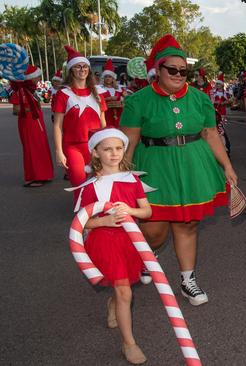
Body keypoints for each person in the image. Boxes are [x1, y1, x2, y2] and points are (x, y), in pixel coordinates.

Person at [120, 34, 237, 306]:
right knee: (154, 231)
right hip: (154, 169)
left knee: (188, 224)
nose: (178, 74)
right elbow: (129, 143)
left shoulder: (200, 99)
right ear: (158, 70)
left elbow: (210, 133)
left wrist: (227, 165)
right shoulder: (138, 101)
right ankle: (147, 257)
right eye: (171, 69)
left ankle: (188, 280)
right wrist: (120, 178)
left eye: (183, 70)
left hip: (194, 165)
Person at [70, 128, 151, 364]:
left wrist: (131, 211)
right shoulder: (90, 187)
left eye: (118, 148)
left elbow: (147, 211)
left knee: (122, 285)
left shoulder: (132, 179)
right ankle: (129, 343)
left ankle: (113, 302)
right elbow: (83, 223)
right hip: (105, 241)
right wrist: (103, 220)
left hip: (130, 240)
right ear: (96, 153)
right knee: (125, 290)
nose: (114, 154)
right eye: (107, 149)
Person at [53, 45, 107, 188]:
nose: (82, 69)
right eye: (77, 66)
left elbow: (103, 122)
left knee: (99, 185)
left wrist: (107, 145)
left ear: (89, 70)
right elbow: (57, 125)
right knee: (79, 184)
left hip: (96, 147)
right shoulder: (63, 94)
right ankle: (82, 211)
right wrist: (59, 151)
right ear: (71, 70)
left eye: (85, 66)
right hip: (73, 147)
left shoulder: (98, 93)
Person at [9, 65, 54, 187]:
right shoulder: (20, 91)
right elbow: (16, 110)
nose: (39, 78)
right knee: (32, 149)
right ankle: (34, 177)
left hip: (37, 122)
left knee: (40, 147)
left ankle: (44, 174)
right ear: (30, 78)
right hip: (28, 123)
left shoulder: (32, 90)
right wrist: (26, 109)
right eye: (37, 76)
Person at [211, 72, 232, 155]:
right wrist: (215, 102)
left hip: (222, 112)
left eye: (218, 84)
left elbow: (230, 101)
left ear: (222, 85)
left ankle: (224, 147)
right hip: (215, 112)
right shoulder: (213, 92)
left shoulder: (225, 93)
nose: (217, 85)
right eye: (216, 84)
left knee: (221, 129)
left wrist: (224, 103)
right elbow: (211, 101)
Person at [100, 59, 124, 128]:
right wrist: (108, 99)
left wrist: (122, 103)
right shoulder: (99, 89)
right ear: (103, 78)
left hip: (118, 118)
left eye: (109, 77)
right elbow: (96, 101)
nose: (107, 78)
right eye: (106, 77)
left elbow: (128, 99)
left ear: (113, 78)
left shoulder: (120, 89)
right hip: (105, 117)